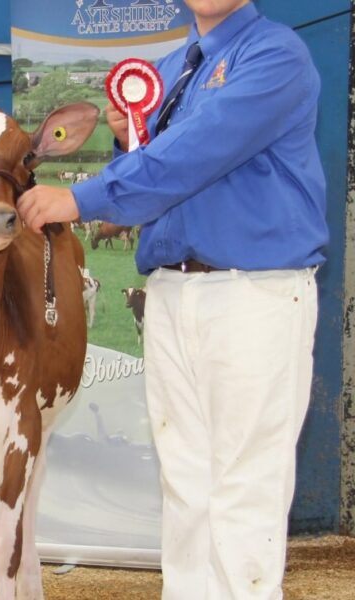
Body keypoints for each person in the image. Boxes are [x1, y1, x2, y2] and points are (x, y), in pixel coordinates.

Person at [18, 1, 328, 598]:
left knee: (246, 483)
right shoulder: (164, 72)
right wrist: (122, 141)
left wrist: (79, 199)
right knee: (185, 482)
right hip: (169, 290)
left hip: (253, 293)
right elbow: (152, 174)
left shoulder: (274, 53)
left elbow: (199, 152)